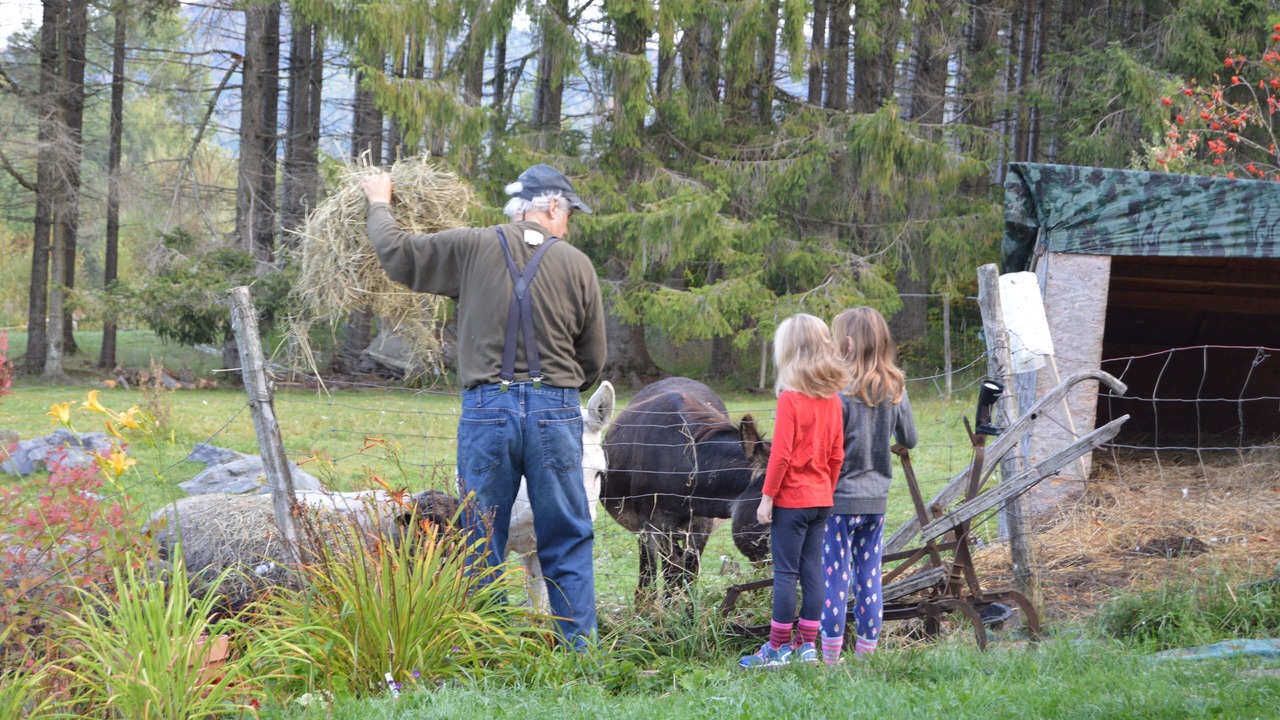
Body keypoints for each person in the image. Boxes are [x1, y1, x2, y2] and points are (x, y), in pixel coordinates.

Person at [361, 163, 606, 648]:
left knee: (479, 534)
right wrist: (558, 389)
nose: (568, 224)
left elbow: (395, 252)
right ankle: (581, 654)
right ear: (552, 206)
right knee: (568, 535)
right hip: (554, 411)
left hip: (486, 409)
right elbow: (593, 358)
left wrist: (378, 201)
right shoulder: (577, 265)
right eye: (569, 213)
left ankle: (485, 646)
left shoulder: (471, 246)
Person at [740, 313, 850, 669]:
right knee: (813, 570)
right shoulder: (833, 399)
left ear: (787, 351)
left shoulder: (791, 399)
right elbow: (837, 454)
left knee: (786, 574)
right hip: (821, 499)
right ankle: (807, 647)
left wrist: (767, 497)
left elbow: (782, 455)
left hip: (792, 501)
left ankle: (777, 648)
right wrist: (825, 489)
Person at [819, 306, 918, 666]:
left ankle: (830, 660)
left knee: (834, 579)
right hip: (876, 501)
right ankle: (867, 657)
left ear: (845, 345)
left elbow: (827, 445)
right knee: (869, 578)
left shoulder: (837, 391)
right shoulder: (895, 387)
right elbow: (911, 437)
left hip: (838, 502)